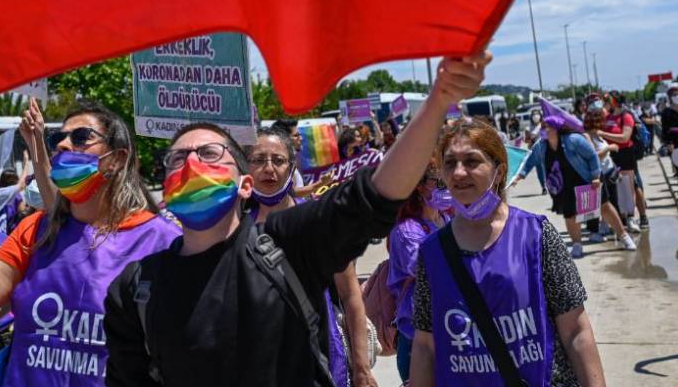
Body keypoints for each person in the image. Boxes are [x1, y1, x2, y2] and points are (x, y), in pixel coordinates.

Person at [103, 54, 491, 387]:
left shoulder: (286, 246)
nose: (191, 165)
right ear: (166, 188)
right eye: (177, 159)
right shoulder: (137, 290)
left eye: (208, 153)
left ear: (244, 185)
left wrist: (438, 102)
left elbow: (374, 196)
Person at [0, 101, 179, 386]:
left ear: (117, 159)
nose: (64, 145)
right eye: (58, 139)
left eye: (81, 137)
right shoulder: (36, 231)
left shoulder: (163, 240)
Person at [410, 118, 606, 387]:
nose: (458, 172)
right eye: (450, 163)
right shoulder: (431, 252)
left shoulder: (537, 235)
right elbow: (425, 344)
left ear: (499, 171)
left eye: (471, 161)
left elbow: (576, 330)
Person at [244, 127, 378, 387]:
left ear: (291, 167)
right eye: (258, 160)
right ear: (246, 167)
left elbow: (351, 295)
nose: (268, 168)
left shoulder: (321, 221)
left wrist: (361, 368)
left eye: (278, 160)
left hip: (321, 360)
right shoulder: (233, 227)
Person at [387, 162, 450, 384]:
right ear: (420, 187)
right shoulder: (406, 231)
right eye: (440, 181)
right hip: (418, 335)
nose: (447, 185)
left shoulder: (447, 221)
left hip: (448, 328)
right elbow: (427, 271)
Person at [511, 115, 601, 258]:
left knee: (595, 208)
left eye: (546, 127)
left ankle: (621, 234)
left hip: (581, 178)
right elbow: (530, 161)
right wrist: (520, 176)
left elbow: (592, 156)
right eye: (542, 128)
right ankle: (577, 244)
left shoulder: (572, 140)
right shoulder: (541, 146)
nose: (543, 130)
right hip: (560, 185)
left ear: (556, 129)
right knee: (570, 214)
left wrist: (595, 176)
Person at [583, 109, 636, 250]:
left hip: (609, 172)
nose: (604, 123)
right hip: (598, 175)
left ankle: (616, 229)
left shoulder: (597, 135)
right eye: (601, 120)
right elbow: (593, 157)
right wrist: (609, 148)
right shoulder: (587, 136)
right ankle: (597, 232)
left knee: (611, 204)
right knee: (600, 205)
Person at [599, 91, 648, 232]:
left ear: (614, 101)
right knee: (611, 188)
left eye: (607, 100)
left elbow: (625, 137)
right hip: (609, 155)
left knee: (627, 187)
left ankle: (631, 217)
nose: (605, 103)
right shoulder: (607, 116)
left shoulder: (626, 116)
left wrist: (604, 134)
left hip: (625, 154)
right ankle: (616, 220)